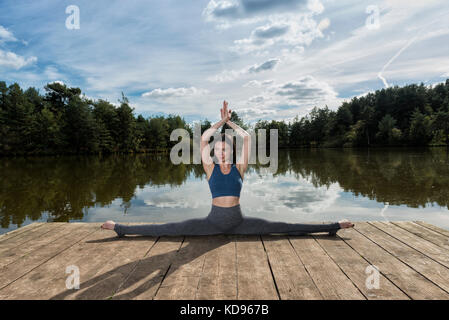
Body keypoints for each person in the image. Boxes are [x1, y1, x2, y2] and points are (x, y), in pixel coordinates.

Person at [101, 100, 354, 237]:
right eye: (218, 149)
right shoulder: (209, 168)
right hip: (212, 222)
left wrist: (230, 125)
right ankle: (120, 229)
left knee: (284, 226)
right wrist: (220, 121)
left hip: (239, 222)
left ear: (231, 152)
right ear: (214, 152)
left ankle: (333, 226)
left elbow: (248, 139)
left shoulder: (240, 168)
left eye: (225, 149)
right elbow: (202, 139)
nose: (222, 151)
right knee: (167, 229)